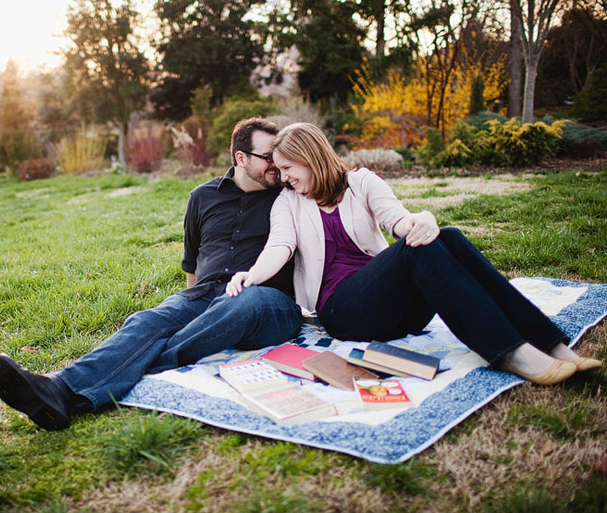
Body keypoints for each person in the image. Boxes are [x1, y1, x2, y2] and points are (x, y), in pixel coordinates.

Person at [0, 118, 302, 430]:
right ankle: (58, 392)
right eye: (268, 158)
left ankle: (134, 364)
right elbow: (192, 263)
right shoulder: (202, 197)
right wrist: (186, 304)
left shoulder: (287, 196)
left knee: (242, 302)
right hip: (206, 296)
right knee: (146, 321)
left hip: (266, 301)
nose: (277, 165)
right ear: (240, 158)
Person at [226, 122, 601, 386]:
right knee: (417, 251)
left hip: (400, 313)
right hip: (346, 313)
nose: (285, 177)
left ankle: (551, 344)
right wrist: (251, 275)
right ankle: (513, 352)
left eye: (289, 168)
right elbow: (280, 246)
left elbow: (398, 221)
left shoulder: (363, 183)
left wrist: (422, 220)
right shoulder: (288, 203)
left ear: (312, 158)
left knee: (447, 236)